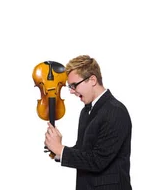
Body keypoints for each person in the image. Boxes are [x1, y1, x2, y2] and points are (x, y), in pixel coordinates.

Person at [44, 55, 132, 190]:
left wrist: (61, 149)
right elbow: (84, 152)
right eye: (70, 87)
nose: (72, 91)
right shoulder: (85, 112)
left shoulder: (116, 111)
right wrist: (57, 151)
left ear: (92, 80)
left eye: (74, 85)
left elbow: (98, 160)